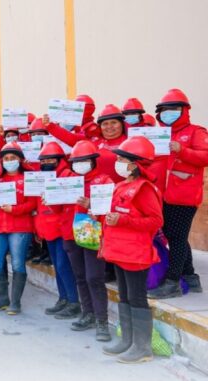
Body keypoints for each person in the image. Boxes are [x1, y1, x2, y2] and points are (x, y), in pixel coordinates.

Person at [101, 136, 163, 363]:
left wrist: (123, 221)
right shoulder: (121, 186)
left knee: (137, 298)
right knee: (124, 296)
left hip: (135, 254)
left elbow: (155, 221)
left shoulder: (145, 189)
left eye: (121, 159)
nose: (117, 162)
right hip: (119, 251)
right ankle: (128, 340)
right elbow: (116, 215)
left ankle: (142, 347)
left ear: (136, 163)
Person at [148, 88, 208, 298]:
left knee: (176, 237)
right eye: (164, 110)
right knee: (177, 236)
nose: (167, 113)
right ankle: (190, 276)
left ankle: (173, 281)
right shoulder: (158, 134)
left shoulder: (196, 132)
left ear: (184, 110)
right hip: (161, 195)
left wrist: (181, 150)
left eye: (173, 109)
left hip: (183, 197)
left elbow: (205, 156)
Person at [63, 140, 114, 341]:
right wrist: (49, 199)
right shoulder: (67, 181)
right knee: (80, 275)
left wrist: (91, 204)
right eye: (77, 161)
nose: (80, 164)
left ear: (93, 161)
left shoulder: (104, 181)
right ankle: (88, 313)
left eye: (85, 160)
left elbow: (111, 208)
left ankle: (102, 321)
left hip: (94, 233)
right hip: (71, 232)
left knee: (95, 277)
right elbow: (58, 208)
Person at [0, 142, 37, 315]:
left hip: (20, 227)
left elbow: (32, 204)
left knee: (17, 263)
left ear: (20, 160)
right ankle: (2, 298)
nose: (9, 161)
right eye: (6, 158)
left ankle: (15, 302)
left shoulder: (29, 178)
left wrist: (14, 210)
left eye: (13, 158)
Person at [35, 142, 81, 319]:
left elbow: (69, 204)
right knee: (58, 266)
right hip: (49, 229)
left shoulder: (69, 177)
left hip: (64, 228)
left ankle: (73, 301)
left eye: (51, 158)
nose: (47, 162)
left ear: (60, 159)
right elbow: (38, 206)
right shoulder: (41, 178)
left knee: (64, 266)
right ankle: (64, 298)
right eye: (44, 159)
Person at [43, 104, 128, 183]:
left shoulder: (129, 141)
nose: (109, 127)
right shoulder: (92, 141)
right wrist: (50, 126)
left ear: (121, 124)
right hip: (98, 192)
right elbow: (70, 137)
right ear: (100, 126)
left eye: (114, 122)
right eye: (105, 124)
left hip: (123, 192)